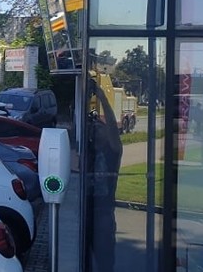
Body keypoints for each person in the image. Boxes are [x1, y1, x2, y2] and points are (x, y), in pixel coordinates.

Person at [86, 78, 123, 272]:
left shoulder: (112, 152)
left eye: (99, 127)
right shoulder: (88, 154)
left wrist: (101, 96)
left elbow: (112, 129)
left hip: (103, 215)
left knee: (105, 262)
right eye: (94, 128)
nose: (97, 129)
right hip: (86, 212)